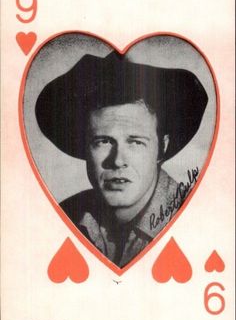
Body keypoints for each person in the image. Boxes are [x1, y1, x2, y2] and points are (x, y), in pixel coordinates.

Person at [35, 51, 208, 267]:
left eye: (135, 142)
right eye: (103, 141)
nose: (117, 161)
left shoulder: (199, 220)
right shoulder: (63, 217)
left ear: (161, 148)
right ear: (85, 148)